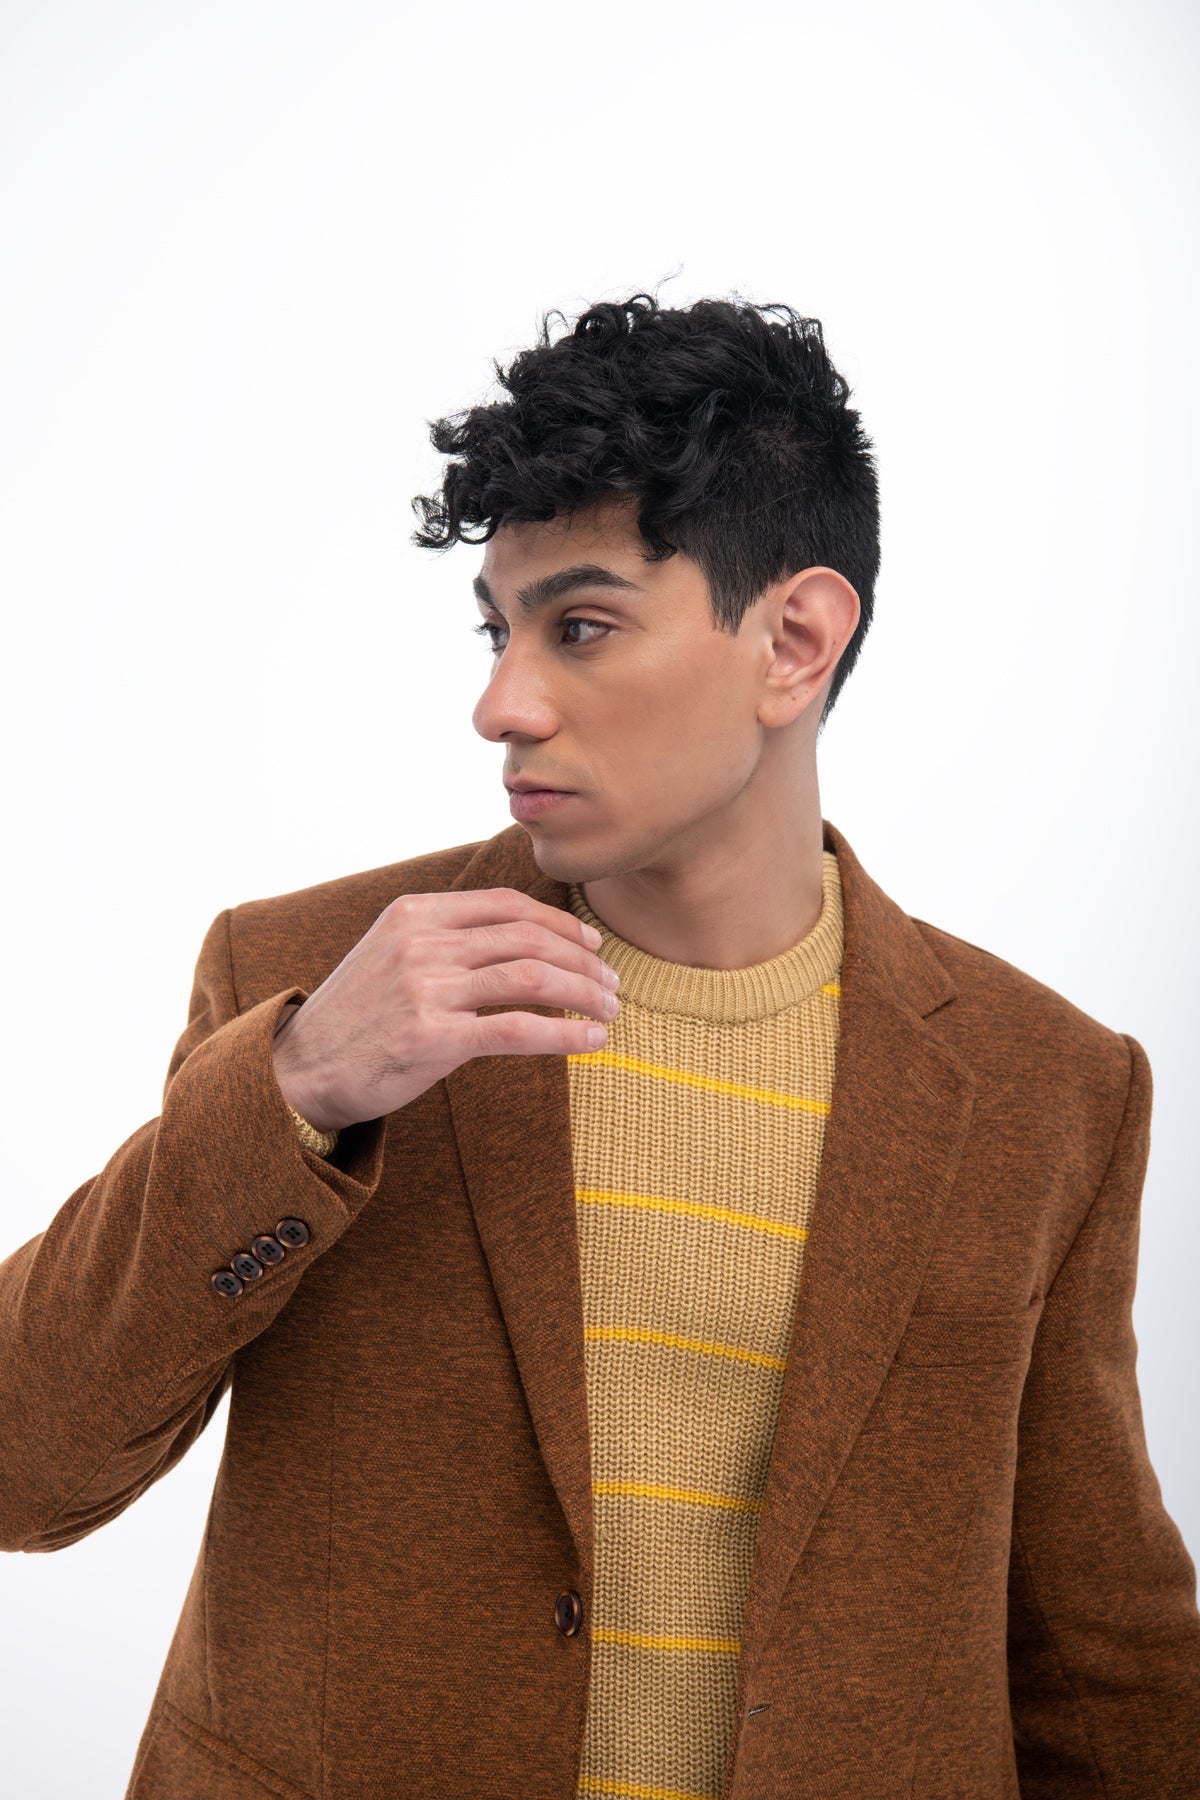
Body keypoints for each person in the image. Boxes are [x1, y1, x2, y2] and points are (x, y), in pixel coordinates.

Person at [1, 293, 1197, 1800]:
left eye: (580, 627)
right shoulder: (307, 982)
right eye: (497, 630)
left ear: (795, 642)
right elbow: (25, 1465)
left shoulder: (1049, 1087)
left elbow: (1102, 1653)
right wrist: (297, 1092)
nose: (501, 702)